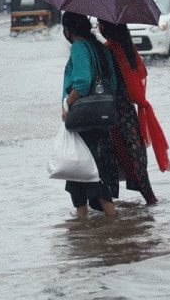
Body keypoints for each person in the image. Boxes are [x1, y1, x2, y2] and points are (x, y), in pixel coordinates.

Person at [97, 20, 170, 205]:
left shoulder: (109, 51)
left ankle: (107, 207)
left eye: (100, 24)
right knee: (134, 155)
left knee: (111, 158)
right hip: (129, 112)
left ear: (106, 29)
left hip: (112, 113)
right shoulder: (129, 49)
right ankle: (150, 198)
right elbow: (141, 74)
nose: (99, 27)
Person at [61, 12, 119, 217]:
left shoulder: (78, 48)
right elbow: (112, 83)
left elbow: (83, 83)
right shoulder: (101, 48)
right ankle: (114, 229)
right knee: (100, 174)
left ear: (67, 30)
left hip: (83, 121)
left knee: (79, 175)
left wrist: (67, 104)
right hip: (103, 118)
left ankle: (81, 229)